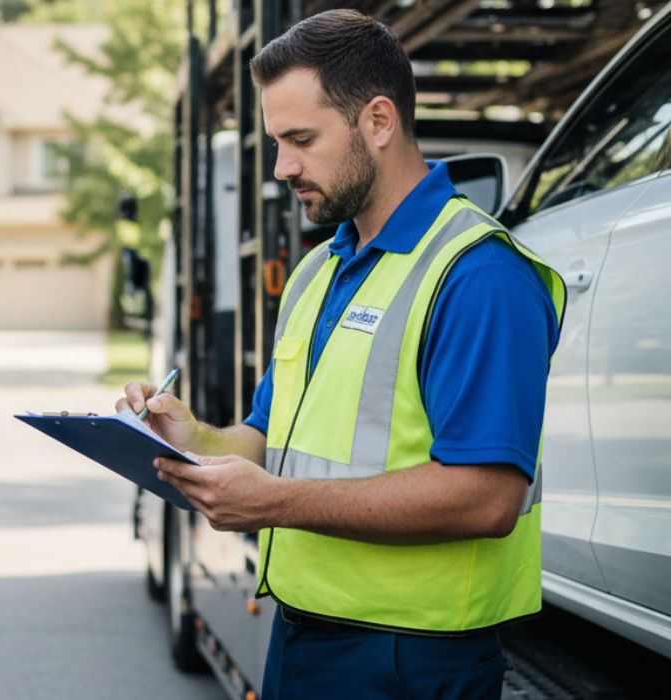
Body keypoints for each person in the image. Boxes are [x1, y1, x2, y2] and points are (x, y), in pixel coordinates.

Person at [120, 10, 565, 699]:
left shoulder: (478, 275)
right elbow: (270, 441)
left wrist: (276, 504)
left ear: (379, 122)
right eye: (276, 142)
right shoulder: (317, 273)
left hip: (411, 662)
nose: (281, 168)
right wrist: (192, 438)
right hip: (303, 637)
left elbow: (487, 498)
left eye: (300, 139)